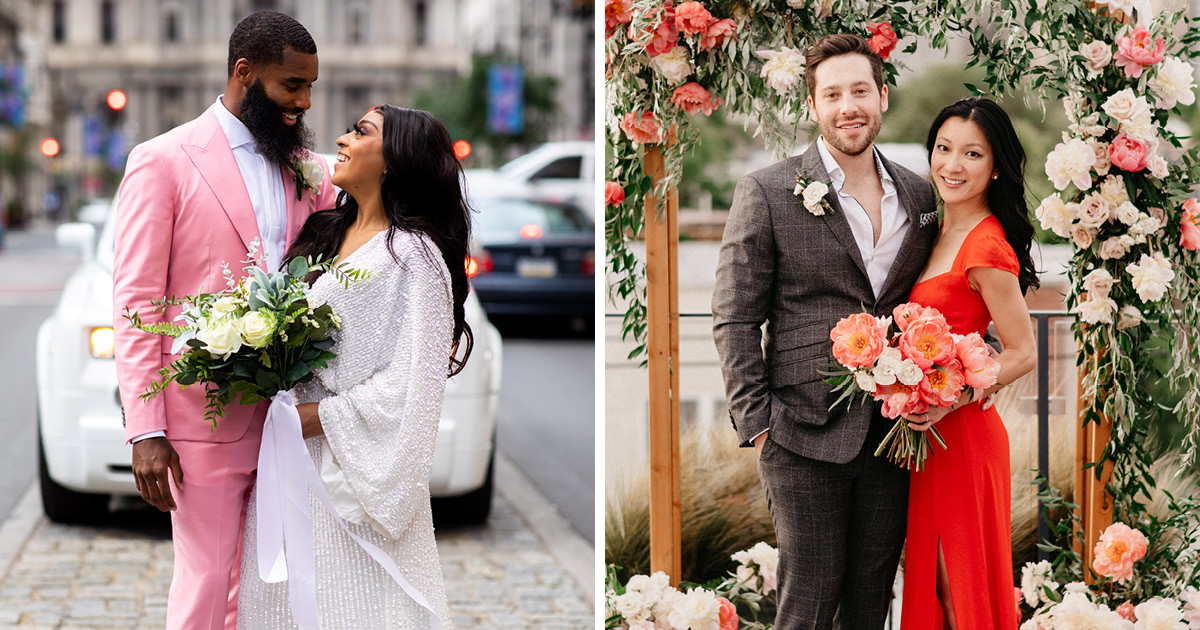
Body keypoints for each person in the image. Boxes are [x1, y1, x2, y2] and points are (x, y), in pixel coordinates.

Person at [112, 11, 337, 630]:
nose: (303, 101)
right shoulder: (162, 160)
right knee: (210, 586)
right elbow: (137, 304)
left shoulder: (309, 169)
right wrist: (144, 431)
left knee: (282, 591)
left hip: (291, 420)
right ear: (245, 72)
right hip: (199, 420)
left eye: (310, 86)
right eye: (292, 85)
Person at [713, 33, 940, 629]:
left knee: (870, 604)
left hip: (893, 436)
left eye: (860, 90)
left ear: (883, 97)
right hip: (800, 434)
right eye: (833, 94)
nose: (849, 106)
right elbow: (735, 315)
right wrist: (758, 424)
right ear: (813, 106)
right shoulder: (766, 191)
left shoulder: (920, 195)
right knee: (807, 603)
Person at [236, 105, 473, 629]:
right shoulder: (323, 232)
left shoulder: (417, 258)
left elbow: (414, 385)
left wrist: (317, 416)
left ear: (396, 159)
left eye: (361, 132)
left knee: (357, 608)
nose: (341, 140)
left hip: (354, 471)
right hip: (290, 455)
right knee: (283, 602)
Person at [900, 97, 1037, 629]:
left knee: (960, 591)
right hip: (926, 440)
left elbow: (1023, 351)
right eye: (943, 148)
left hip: (963, 438)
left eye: (972, 154)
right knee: (932, 583)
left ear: (996, 165)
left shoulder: (985, 246)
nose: (952, 165)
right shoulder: (932, 230)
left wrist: (948, 397)